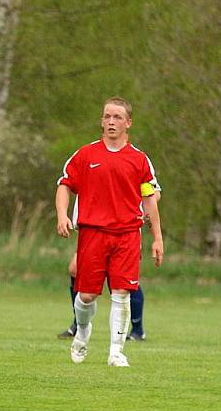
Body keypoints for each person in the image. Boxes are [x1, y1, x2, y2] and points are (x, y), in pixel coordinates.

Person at [55, 97, 163, 367]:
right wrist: (62, 215)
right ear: (101, 121)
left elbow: (151, 198)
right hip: (93, 234)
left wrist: (158, 238)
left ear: (128, 123)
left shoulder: (139, 160)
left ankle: (116, 351)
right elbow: (64, 185)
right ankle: (82, 331)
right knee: (87, 296)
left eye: (117, 117)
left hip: (127, 234)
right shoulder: (85, 155)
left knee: (121, 293)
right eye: (107, 116)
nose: (111, 121)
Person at [57, 187, 161, 341]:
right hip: (92, 229)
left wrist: (128, 205)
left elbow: (153, 193)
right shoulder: (84, 162)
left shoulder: (137, 162)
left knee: (122, 282)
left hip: (123, 231)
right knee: (75, 270)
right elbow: (65, 185)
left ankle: (137, 330)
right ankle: (79, 324)